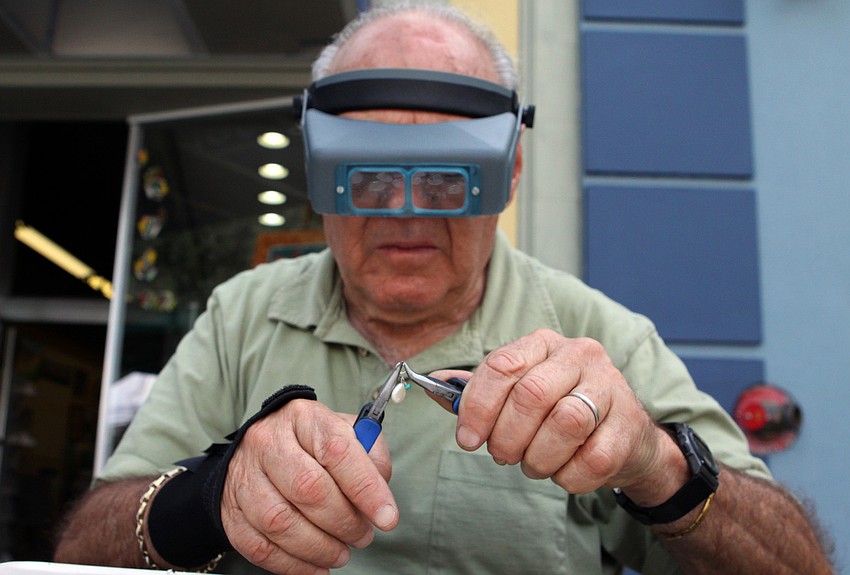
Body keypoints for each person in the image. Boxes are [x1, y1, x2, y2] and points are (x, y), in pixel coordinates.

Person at [55, 3, 834, 574]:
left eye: (444, 181)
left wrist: (656, 463)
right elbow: (84, 547)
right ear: (321, 178)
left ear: (508, 174)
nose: (403, 215)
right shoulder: (242, 317)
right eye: (365, 179)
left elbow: (794, 566)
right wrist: (209, 494)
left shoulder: (602, 339)